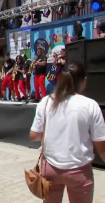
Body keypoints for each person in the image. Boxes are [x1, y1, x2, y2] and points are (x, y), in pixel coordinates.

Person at [30, 63, 105, 202]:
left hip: (50, 169)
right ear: (83, 81)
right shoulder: (90, 105)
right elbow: (101, 145)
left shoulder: (46, 101)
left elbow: (33, 135)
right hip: (80, 171)